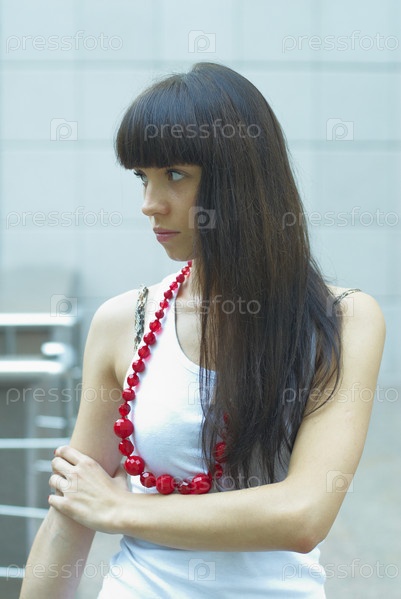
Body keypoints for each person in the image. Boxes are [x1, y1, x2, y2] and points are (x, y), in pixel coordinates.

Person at [20, 62, 385, 598]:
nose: (149, 203)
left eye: (174, 174)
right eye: (142, 177)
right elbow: (72, 511)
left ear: (240, 179)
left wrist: (121, 508)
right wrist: (99, 507)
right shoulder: (125, 322)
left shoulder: (341, 320)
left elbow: (304, 514)